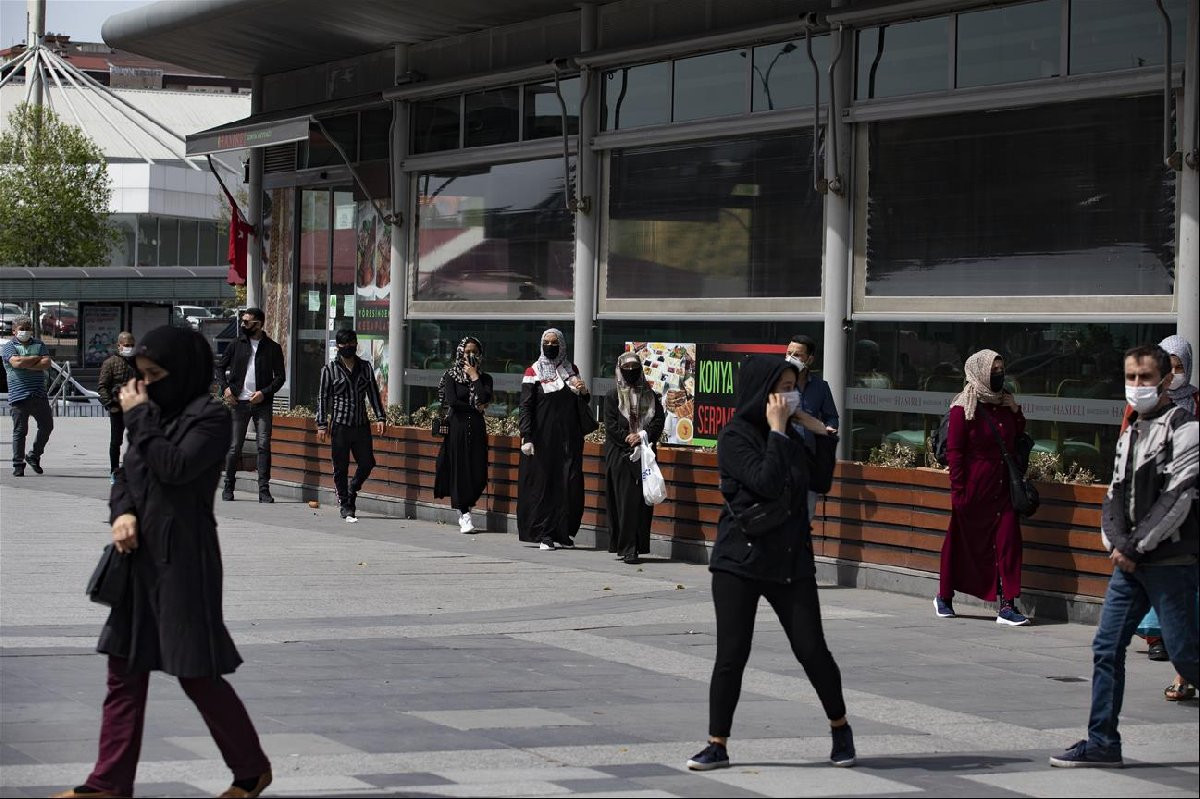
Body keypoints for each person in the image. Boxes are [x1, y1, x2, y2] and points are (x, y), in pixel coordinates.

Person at [53, 326, 272, 799]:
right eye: (141, 375)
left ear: (182, 372)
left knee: (195, 672)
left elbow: (174, 467)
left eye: (154, 375)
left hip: (182, 561)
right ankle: (107, 784)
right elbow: (126, 475)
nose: (145, 385)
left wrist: (138, 419)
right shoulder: (149, 414)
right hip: (137, 562)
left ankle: (250, 769)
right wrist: (123, 514)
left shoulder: (209, 418)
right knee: (123, 671)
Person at [687, 354, 854, 772]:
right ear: (762, 392)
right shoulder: (735, 437)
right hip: (738, 560)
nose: (789, 394)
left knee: (811, 649)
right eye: (781, 387)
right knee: (732, 654)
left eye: (792, 386)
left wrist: (823, 433)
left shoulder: (794, 435)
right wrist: (780, 431)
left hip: (790, 559)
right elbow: (762, 480)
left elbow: (820, 482)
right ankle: (716, 743)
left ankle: (840, 727)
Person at [1050, 344, 1198, 768]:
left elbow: (1179, 496)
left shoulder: (1185, 427)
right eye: (1131, 378)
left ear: (1164, 378)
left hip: (1170, 562)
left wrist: (1132, 547)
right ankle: (1102, 742)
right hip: (1130, 565)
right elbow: (1113, 492)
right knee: (1106, 647)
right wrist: (1115, 543)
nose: (1137, 386)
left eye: (1146, 377)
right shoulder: (1131, 427)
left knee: (1186, 655)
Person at [934, 349, 1030, 626]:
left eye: (1001, 369)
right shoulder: (962, 407)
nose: (999, 375)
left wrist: (1016, 411)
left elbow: (1018, 436)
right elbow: (954, 453)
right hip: (973, 487)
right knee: (961, 544)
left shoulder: (1005, 403)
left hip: (1004, 487)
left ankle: (1008, 604)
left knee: (1009, 542)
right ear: (979, 372)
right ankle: (944, 596)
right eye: (993, 370)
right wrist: (959, 492)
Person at [1131, 334, 1199, 699]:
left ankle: (1182, 672)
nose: (1174, 375)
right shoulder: (1146, 404)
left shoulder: (1197, 401)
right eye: (1167, 368)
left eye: (1179, 367)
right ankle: (1162, 641)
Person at [517, 327, 591, 551]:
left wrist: (583, 391)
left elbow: (581, 402)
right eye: (546, 342)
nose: (551, 346)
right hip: (543, 440)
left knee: (569, 484)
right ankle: (544, 533)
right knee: (545, 485)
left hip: (569, 438)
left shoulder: (571, 369)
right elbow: (526, 407)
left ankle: (563, 532)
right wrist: (526, 436)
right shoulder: (533, 372)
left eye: (554, 342)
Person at [215, 308, 286, 503]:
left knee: (263, 445)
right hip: (239, 402)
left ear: (259, 324)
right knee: (234, 446)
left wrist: (264, 393)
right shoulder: (236, 344)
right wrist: (226, 389)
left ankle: (264, 490)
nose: (243, 325)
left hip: (261, 403)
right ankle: (228, 486)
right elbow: (220, 367)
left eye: (247, 322)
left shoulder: (272, 347)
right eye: (242, 321)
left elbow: (280, 377)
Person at [315, 329, 386, 523]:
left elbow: (373, 393)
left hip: (361, 424)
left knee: (368, 462)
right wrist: (321, 424)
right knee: (340, 467)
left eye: (352, 343)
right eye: (345, 345)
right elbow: (323, 398)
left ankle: (352, 488)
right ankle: (346, 505)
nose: (349, 347)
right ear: (338, 346)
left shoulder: (365, 367)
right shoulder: (329, 370)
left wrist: (380, 417)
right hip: (340, 426)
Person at [604, 352, 666, 564]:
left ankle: (638, 544)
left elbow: (658, 420)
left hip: (645, 453)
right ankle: (627, 547)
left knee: (641, 502)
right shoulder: (613, 396)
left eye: (635, 367)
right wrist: (628, 439)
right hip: (621, 456)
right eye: (626, 368)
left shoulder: (651, 395)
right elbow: (610, 426)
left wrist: (641, 436)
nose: (631, 372)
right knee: (625, 501)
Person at [434, 337, 494, 534]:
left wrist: (474, 376)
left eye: (475, 352)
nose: (471, 355)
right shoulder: (451, 375)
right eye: (467, 351)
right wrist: (475, 406)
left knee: (477, 471)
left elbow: (485, 398)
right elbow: (451, 400)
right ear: (460, 352)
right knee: (460, 469)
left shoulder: (485, 378)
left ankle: (468, 504)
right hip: (457, 426)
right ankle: (464, 513)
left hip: (477, 426)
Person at [786, 335, 840, 521]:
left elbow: (832, 416)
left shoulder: (820, 387)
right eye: (789, 353)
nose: (791, 357)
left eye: (797, 355)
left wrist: (830, 427)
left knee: (805, 517)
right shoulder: (777, 384)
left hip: (808, 461)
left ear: (809, 359)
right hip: (780, 460)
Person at [3, 315, 54, 477]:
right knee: (20, 431)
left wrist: (25, 364)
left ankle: (34, 455)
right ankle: (18, 464)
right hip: (19, 395)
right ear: (14, 331)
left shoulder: (39, 344)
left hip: (39, 394)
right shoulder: (9, 347)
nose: (25, 332)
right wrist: (36, 361)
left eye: (27, 328)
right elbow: (15, 363)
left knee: (47, 426)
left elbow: (46, 364)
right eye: (21, 329)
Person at [96, 332, 137, 482]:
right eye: (126, 345)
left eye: (132, 345)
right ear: (119, 345)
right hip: (117, 408)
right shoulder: (110, 363)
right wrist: (109, 403)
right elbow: (102, 387)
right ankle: (114, 470)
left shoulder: (138, 362)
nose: (129, 348)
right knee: (116, 441)